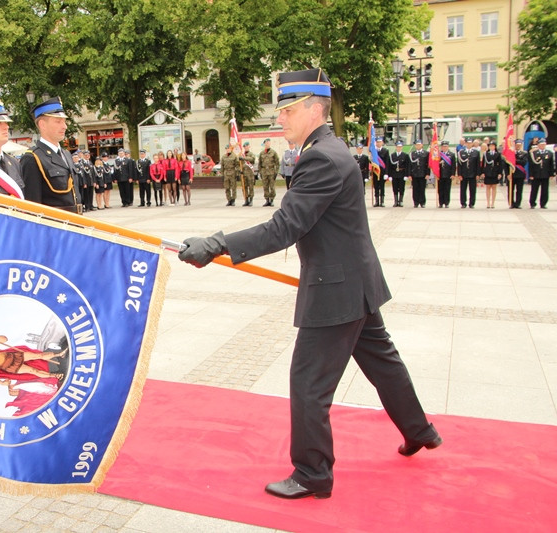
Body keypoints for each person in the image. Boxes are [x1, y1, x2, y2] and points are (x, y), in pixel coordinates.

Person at [178, 68, 440, 500]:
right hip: (355, 281)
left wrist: (216, 244)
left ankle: (313, 474)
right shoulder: (329, 149)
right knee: (382, 362)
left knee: (308, 384)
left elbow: (284, 227)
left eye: (288, 109)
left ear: (315, 109)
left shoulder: (320, 157)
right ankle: (421, 430)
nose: (280, 118)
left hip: (336, 288)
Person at [20, 97, 81, 213]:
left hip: (75, 223)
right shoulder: (33, 158)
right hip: (53, 227)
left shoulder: (66, 154)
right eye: (58, 121)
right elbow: (32, 206)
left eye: (64, 121)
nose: (64, 126)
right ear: (42, 124)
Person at [528, 138, 554, 209]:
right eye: (541, 144)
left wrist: (552, 174)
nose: (543, 146)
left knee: (545, 190)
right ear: (538, 145)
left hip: (545, 174)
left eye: (544, 144)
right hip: (536, 174)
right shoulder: (534, 153)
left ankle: (543, 203)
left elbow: (551, 165)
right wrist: (531, 175)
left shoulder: (549, 153)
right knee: (534, 190)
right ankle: (532, 203)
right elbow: (531, 165)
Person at [257, 138, 280, 206]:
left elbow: (277, 163)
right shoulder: (262, 153)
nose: (267, 144)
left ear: (270, 143)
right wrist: (260, 172)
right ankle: (267, 200)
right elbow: (259, 163)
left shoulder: (273, 152)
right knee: (265, 186)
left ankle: (272, 199)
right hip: (264, 172)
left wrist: (276, 172)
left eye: (268, 142)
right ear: (264, 144)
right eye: (266, 143)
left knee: (272, 186)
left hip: (271, 171)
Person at [457, 139, 480, 208]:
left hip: (473, 174)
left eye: (470, 143)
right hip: (464, 174)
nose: (469, 144)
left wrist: (478, 174)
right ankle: (463, 203)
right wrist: (459, 174)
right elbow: (459, 164)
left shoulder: (476, 152)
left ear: (472, 144)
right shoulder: (461, 152)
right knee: (463, 189)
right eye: (467, 143)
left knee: (472, 190)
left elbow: (477, 164)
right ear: (465, 144)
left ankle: (472, 203)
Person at [481, 141, 504, 208]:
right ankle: (488, 202)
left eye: (493, 146)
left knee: (494, 187)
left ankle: (493, 203)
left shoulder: (498, 154)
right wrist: (482, 172)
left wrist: (500, 173)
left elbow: (500, 164)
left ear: (495, 147)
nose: (491, 147)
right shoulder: (486, 154)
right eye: (490, 146)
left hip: (495, 172)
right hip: (487, 172)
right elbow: (483, 164)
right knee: (488, 187)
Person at [388, 140, 411, 207]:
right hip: (394, 174)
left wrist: (407, 174)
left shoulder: (405, 155)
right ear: (396, 147)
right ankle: (395, 201)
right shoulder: (392, 155)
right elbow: (390, 166)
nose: (399, 148)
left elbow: (408, 165)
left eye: (400, 147)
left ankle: (400, 201)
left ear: (402, 147)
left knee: (401, 188)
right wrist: (390, 175)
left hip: (402, 174)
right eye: (397, 147)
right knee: (395, 188)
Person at [409, 139, 429, 208]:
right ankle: (416, 202)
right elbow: (410, 165)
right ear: (415, 146)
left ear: (422, 145)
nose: (418, 146)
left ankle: (422, 202)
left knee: (422, 188)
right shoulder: (412, 153)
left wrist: (427, 173)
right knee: (415, 189)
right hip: (414, 174)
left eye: (419, 144)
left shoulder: (426, 153)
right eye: (417, 145)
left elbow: (427, 164)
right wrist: (409, 174)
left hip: (423, 174)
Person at [372, 137, 391, 207]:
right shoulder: (373, 151)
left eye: (380, 142)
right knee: (376, 186)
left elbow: (387, 163)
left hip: (382, 172)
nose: (378, 143)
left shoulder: (385, 151)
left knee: (382, 187)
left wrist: (386, 173)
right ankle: (377, 201)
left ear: (382, 143)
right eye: (377, 142)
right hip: (375, 172)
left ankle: (382, 201)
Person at [509, 139, 527, 209]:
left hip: (520, 174)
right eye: (517, 145)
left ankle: (518, 203)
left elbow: (524, 162)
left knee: (519, 190)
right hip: (512, 173)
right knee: (511, 189)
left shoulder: (524, 153)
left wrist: (515, 161)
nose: (518, 146)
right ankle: (511, 203)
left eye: (519, 145)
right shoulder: (511, 153)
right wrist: (508, 173)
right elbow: (507, 164)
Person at [437, 140, 455, 208]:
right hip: (440, 175)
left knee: (447, 189)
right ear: (441, 147)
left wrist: (453, 174)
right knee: (440, 189)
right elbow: (435, 165)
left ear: (448, 147)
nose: (444, 148)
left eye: (446, 146)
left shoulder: (451, 155)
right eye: (443, 146)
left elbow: (453, 166)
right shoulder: (438, 155)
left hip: (448, 174)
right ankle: (441, 203)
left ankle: (447, 203)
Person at [239, 141, 256, 206]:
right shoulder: (242, 154)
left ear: (249, 146)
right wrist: (240, 170)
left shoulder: (251, 154)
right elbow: (239, 164)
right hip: (244, 174)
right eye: (244, 147)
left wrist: (243, 158)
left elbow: (252, 159)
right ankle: (246, 200)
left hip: (250, 174)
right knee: (244, 187)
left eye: (247, 146)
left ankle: (251, 200)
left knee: (250, 187)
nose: (246, 147)